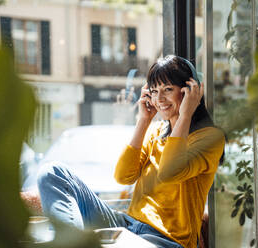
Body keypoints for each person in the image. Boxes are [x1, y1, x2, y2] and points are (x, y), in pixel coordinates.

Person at [36, 55, 225, 248]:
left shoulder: (210, 138)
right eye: (154, 91)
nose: (159, 99)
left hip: (166, 240)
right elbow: (123, 176)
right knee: (52, 172)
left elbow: (170, 172)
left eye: (168, 89)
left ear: (190, 91)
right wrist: (143, 121)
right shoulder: (155, 131)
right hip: (127, 226)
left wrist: (185, 115)